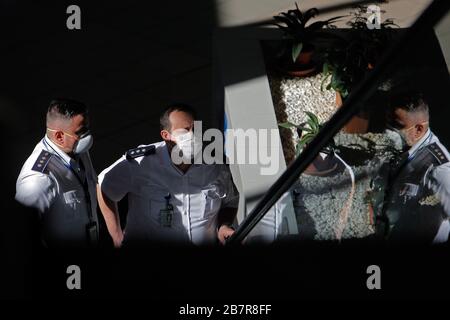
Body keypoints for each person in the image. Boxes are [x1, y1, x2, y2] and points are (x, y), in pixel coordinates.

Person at [97, 104, 238, 247]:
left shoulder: (215, 166)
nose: (192, 136)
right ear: (166, 135)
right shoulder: (141, 163)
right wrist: (116, 237)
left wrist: (223, 226)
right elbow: (104, 187)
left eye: (195, 129)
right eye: (185, 131)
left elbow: (230, 201)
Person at [15, 99, 99, 247]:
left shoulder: (77, 149)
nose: (87, 137)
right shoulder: (39, 178)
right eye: (81, 132)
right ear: (59, 136)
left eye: (87, 129)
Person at [379, 93, 450, 243]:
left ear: (418, 129)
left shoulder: (438, 169)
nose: (388, 131)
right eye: (388, 122)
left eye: (397, 126)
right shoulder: (408, 146)